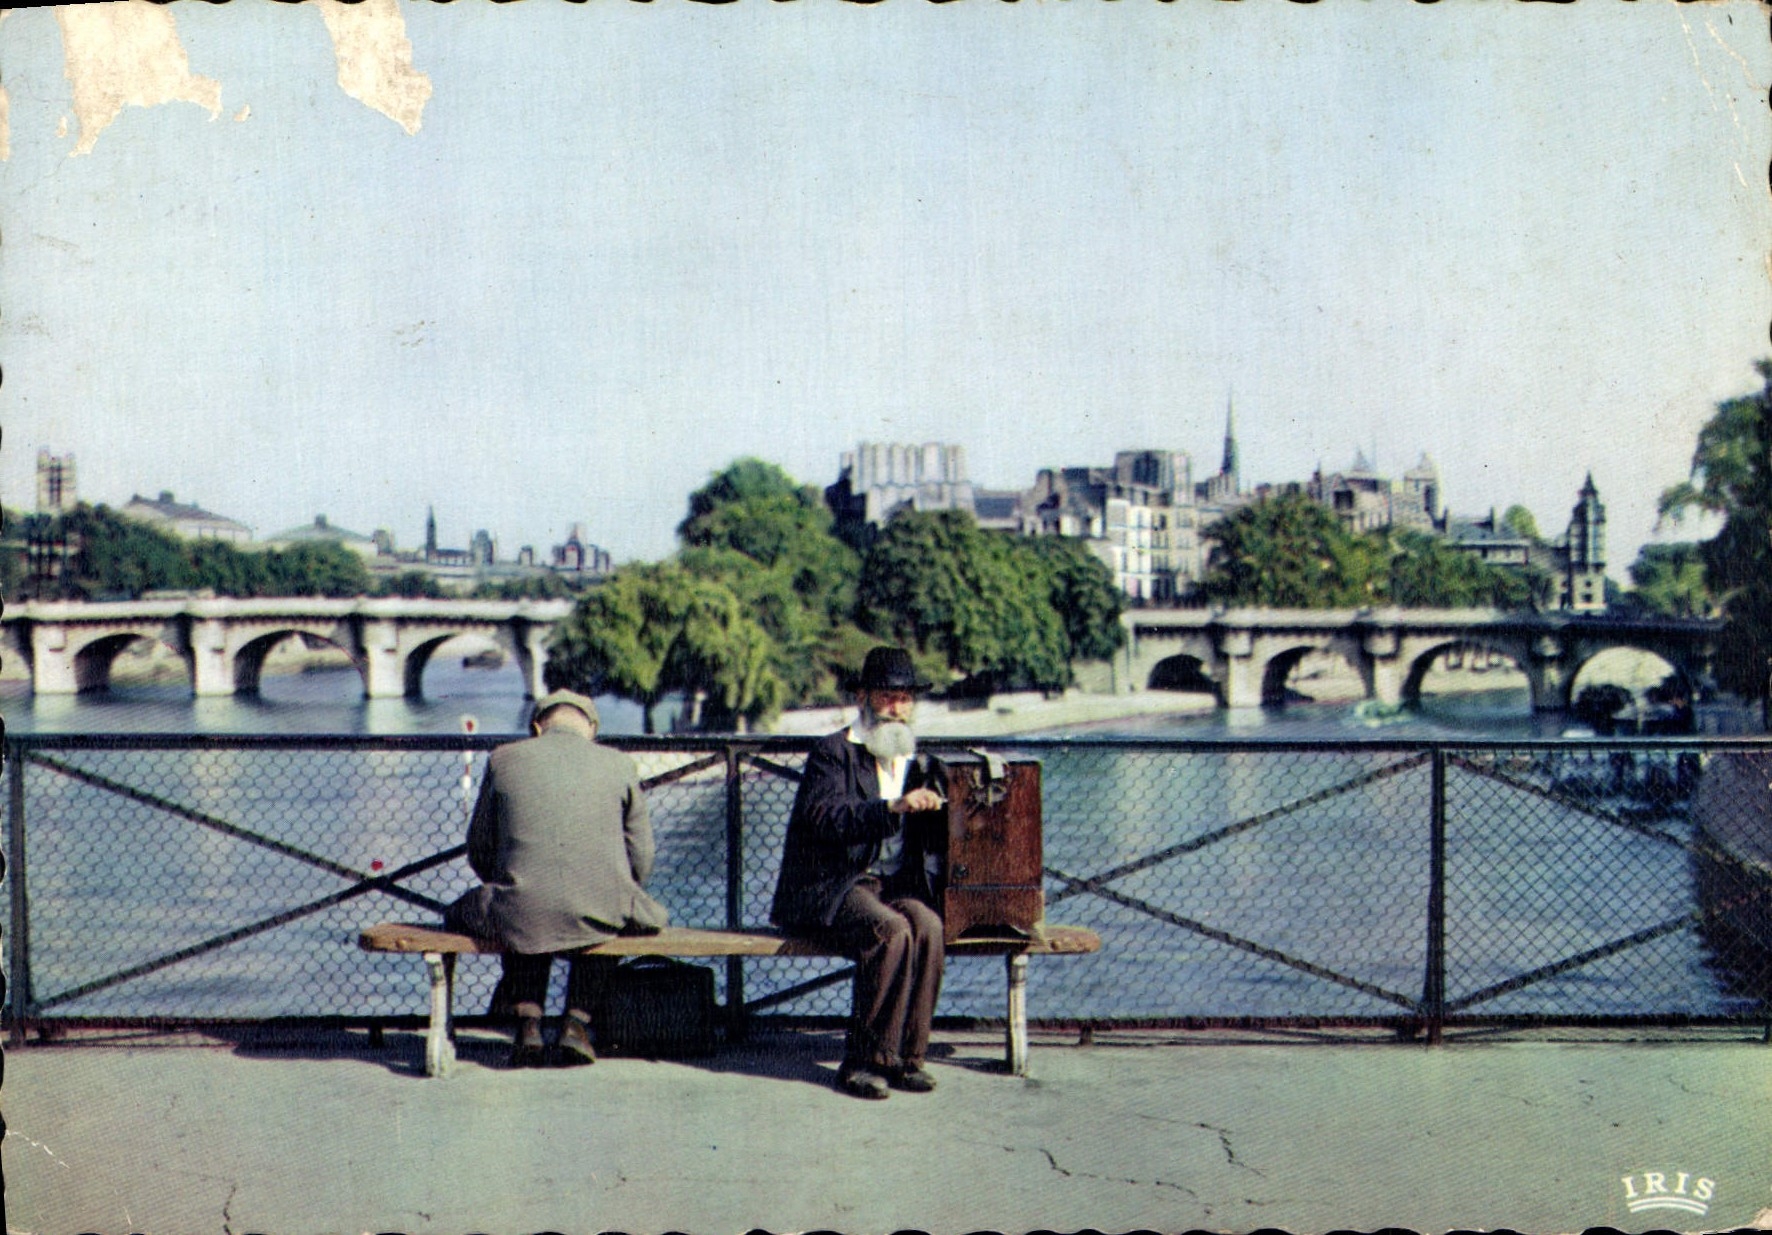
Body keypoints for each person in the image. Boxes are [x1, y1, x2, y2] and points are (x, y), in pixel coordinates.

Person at [444, 688, 669, 1068]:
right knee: (606, 915)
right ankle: (577, 1022)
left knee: (516, 907)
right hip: (600, 907)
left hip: (522, 912)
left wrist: (508, 877)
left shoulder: (503, 759)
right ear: (591, 728)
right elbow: (642, 853)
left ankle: (528, 1021)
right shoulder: (619, 764)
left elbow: (479, 846)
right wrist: (624, 886)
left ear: (536, 727)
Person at [771, 646, 949, 1099]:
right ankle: (863, 1064)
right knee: (890, 931)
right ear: (863, 697)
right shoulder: (833, 752)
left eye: (905, 699)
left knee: (928, 926)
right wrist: (892, 807)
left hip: (892, 882)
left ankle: (907, 1059)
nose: (897, 708)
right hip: (834, 884)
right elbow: (824, 817)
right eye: (887, 697)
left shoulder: (918, 760)